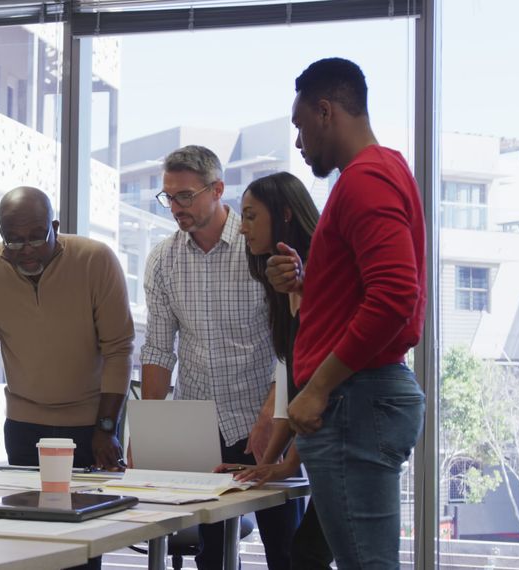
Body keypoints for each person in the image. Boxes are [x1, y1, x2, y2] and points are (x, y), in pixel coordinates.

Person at [266, 57, 427, 569]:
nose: (299, 142)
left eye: (300, 126)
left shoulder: (365, 180)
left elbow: (395, 296)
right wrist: (308, 284)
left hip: (353, 400)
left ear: (325, 111)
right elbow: (372, 289)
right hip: (360, 398)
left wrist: (317, 388)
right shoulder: (384, 170)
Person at [139, 146, 300, 570]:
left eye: (185, 196)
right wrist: (149, 429)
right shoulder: (163, 260)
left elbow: (291, 342)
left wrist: (273, 411)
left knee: (286, 551)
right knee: (210, 556)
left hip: (264, 423)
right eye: (169, 196)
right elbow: (158, 349)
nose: (176, 207)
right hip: (200, 427)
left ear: (217, 190)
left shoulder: (258, 247)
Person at [0, 186, 133, 470]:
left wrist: (107, 428)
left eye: (37, 237)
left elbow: (118, 350)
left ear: (54, 228)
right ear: (2, 234)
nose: (27, 250)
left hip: (93, 425)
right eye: (14, 240)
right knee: (25, 500)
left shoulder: (95, 261)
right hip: (23, 426)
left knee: (94, 499)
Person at [215, 172, 333, 569]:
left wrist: (286, 462)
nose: (242, 227)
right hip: (323, 443)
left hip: (348, 437)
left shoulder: (321, 275)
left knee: (311, 555)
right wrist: (270, 462)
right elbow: (294, 386)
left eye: (251, 216)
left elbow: (319, 391)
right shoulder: (283, 287)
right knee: (307, 555)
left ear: (284, 214)